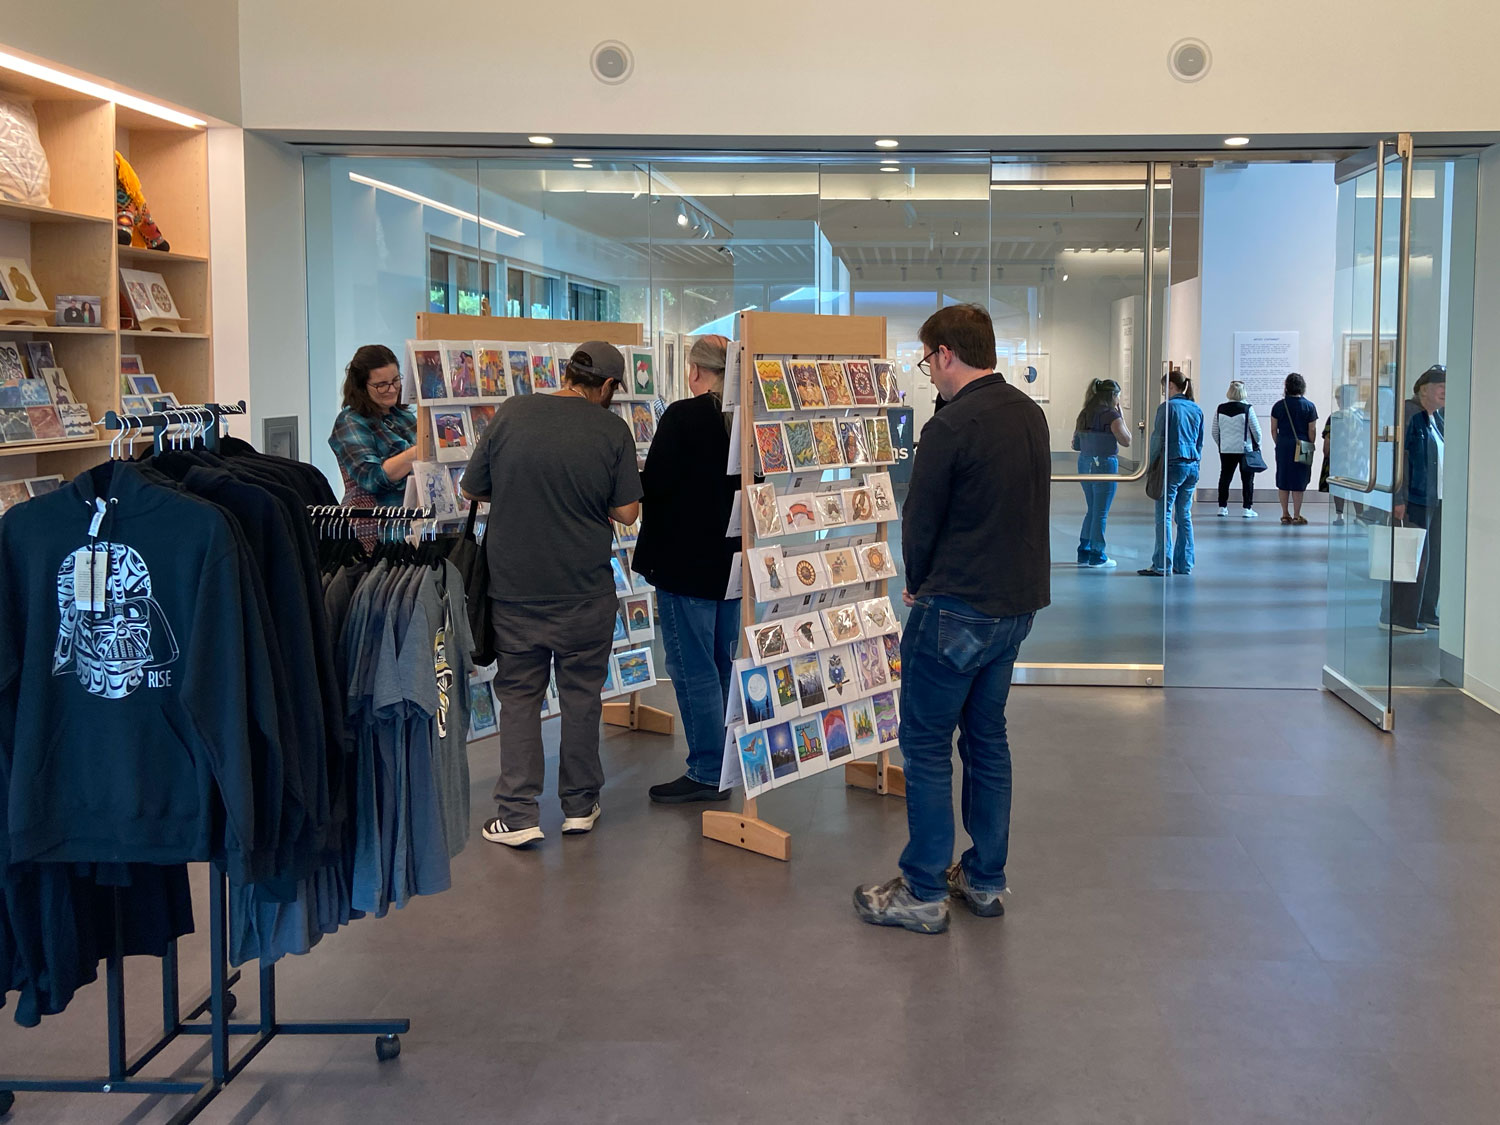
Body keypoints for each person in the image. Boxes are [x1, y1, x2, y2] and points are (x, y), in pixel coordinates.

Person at [853, 304, 1050, 935]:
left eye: (928, 361)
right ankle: (986, 881)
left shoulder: (949, 427)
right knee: (988, 740)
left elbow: (922, 520)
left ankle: (922, 887)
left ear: (944, 354)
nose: (930, 373)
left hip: (956, 607)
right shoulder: (1030, 414)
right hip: (1014, 606)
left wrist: (917, 583)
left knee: (928, 744)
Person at [461, 342, 642, 847]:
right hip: (585, 590)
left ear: (565, 373)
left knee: (519, 696)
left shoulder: (513, 412)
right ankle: (580, 806)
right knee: (582, 695)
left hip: (515, 590)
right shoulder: (612, 430)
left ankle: (517, 814)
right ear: (606, 386)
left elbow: (473, 489)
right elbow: (628, 512)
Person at [633, 335, 742, 804]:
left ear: (695, 371)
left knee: (689, 665)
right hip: (730, 567)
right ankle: (722, 765)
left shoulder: (683, 416)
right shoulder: (743, 418)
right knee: (718, 664)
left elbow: (655, 486)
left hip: (684, 565)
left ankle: (704, 770)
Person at [327, 345, 419, 544]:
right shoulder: (350, 422)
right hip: (378, 534)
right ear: (361, 387)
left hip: (417, 528)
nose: (392, 389)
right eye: (381, 385)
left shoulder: (404, 417)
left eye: (396, 380)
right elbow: (373, 478)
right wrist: (416, 453)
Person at [1386, 365, 1446, 634]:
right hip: (1415, 500)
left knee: (1432, 559)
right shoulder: (1411, 414)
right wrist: (1399, 496)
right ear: (1424, 390)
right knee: (1413, 558)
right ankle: (1401, 616)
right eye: (1440, 386)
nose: (1446, 392)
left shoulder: (1436, 418)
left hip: (1436, 498)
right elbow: (1397, 459)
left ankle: (1426, 611)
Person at [1139, 368, 1204, 576]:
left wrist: (1150, 466)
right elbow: (1200, 442)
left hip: (1172, 464)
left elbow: (1157, 439)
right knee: (1184, 515)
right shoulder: (1196, 409)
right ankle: (1184, 563)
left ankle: (1162, 563)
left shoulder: (1167, 408)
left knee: (1164, 515)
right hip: (1192, 465)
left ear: (1171, 386)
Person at [1071, 378, 1131, 567]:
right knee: (1100, 512)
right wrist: (1121, 416)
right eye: (1118, 396)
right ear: (1113, 396)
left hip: (1085, 463)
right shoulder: (1111, 415)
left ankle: (1084, 550)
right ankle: (1097, 555)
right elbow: (1126, 440)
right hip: (1104, 464)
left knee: (1093, 509)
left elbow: (1076, 444)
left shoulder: (1085, 412)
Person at [1270, 373, 1319, 525]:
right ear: (1302, 387)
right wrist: (1310, 443)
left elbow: (1273, 429)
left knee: (1283, 478)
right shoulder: (1309, 406)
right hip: (1303, 445)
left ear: (1286, 387)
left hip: (1284, 445)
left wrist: (1280, 442)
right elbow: (1312, 430)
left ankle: (1285, 514)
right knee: (1299, 479)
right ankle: (1297, 515)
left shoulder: (1278, 406)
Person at [1211, 380, 1261, 518]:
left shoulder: (1220, 408)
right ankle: (1247, 508)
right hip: (1245, 448)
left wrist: (1221, 444)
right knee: (1247, 479)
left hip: (1226, 449)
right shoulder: (1248, 409)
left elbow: (1215, 431)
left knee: (1225, 477)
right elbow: (1256, 431)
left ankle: (1222, 507)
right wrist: (1258, 444)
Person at [1322, 383, 1367, 525]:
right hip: (1358, 457)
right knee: (1357, 487)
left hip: (1339, 457)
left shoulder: (1335, 417)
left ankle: (1339, 516)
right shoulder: (1362, 415)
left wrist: (1326, 454)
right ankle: (1359, 515)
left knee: (1338, 487)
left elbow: (1328, 439)